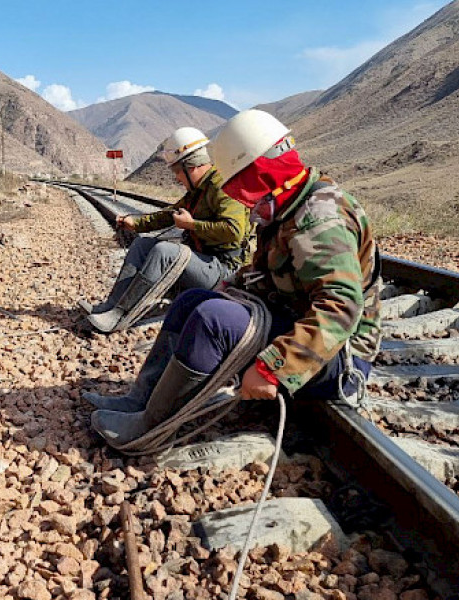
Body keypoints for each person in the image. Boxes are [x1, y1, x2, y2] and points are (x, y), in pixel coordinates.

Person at [89, 109, 382, 446]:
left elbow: (340, 308)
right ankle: (140, 401)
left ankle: (150, 429)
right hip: (296, 323)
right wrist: (230, 287)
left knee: (213, 319)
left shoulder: (319, 220)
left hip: (339, 360)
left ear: (257, 175)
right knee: (193, 302)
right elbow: (267, 272)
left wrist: (275, 366)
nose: (240, 199)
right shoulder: (291, 205)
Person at [80, 126, 252, 334]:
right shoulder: (199, 189)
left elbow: (234, 231)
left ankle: (122, 316)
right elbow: (170, 214)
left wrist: (191, 225)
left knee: (164, 252)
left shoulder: (223, 188)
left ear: (191, 166)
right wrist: (137, 223)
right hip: (204, 262)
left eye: (177, 171)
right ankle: (110, 306)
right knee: (142, 244)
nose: (177, 178)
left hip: (224, 271)